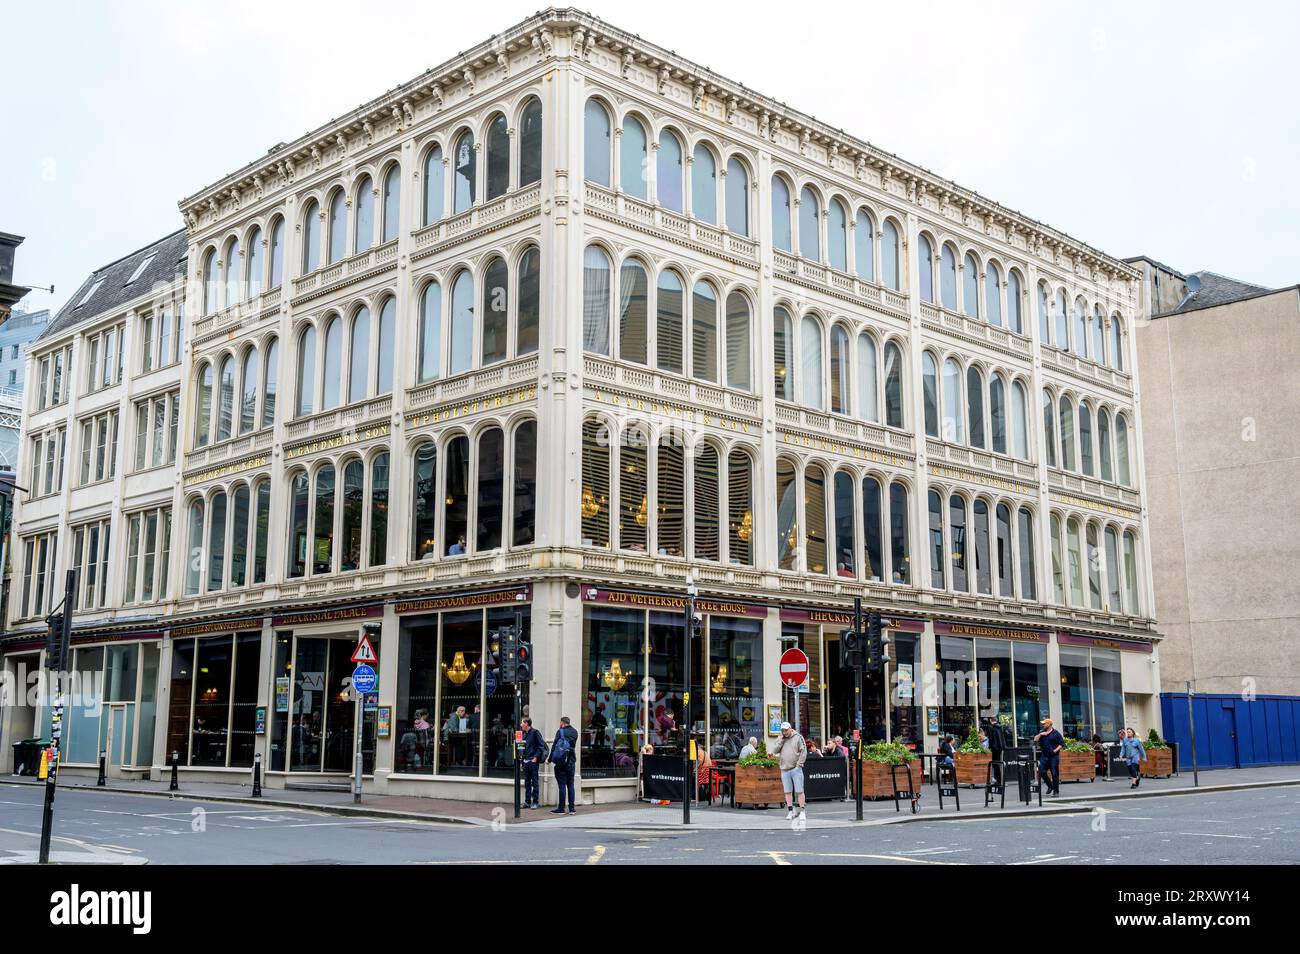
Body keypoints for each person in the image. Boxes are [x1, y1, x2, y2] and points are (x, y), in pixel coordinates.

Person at [771, 722, 808, 820]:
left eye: (786, 730)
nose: (784, 732)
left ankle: (802, 811)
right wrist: (781, 741)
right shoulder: (781, 738)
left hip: (795, 768)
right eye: (782, 730)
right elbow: (774, 751)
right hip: (784, 769)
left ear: (791, 729)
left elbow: (803, 751)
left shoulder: (798, 737)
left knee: (799, 791)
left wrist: (799, 765)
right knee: (787, 792)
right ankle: (790, 811)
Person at [549, 716, 579, 814]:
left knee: (562, 785)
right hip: (571, 761)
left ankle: (561, 809)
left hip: (561, 762)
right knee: (570, 784)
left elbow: (554, 746)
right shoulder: (575, 732)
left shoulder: (560, 731)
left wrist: (550, 759)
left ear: (562, 723)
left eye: (560, 722)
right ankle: (572, 809)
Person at [1034, 718, 1064, 796]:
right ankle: (1050, 786)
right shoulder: (1041, 732)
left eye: (1044, 724)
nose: (1043, 725)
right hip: (1044, 756)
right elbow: (1035, 740)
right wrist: (1041, 734)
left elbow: (1061, 744)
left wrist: (1055, 750)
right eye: (1043, 724)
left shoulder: (1056, 733)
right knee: (1041, 771)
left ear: (1049, 724)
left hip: (1054, 757)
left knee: (1054, 774)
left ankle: (1056, 792)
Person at [520, 716, 545, 809]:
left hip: (533, 761)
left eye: (522, 722)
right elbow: (521, 747)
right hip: (525, 761)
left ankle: (535, 802)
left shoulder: (535, 733)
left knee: (534, 782)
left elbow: (541, 746)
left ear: (527, 723)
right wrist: (521, 759)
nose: (521, 724)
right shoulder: (523, 733)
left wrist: (535, 757)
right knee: (527, 783)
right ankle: (527, 802)